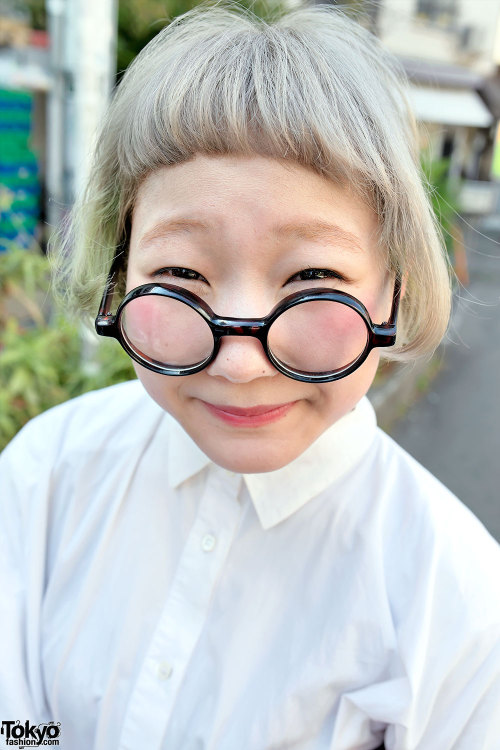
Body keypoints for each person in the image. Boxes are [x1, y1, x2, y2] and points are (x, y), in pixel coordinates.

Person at [1, 4, 499, 749]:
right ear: (119, 273)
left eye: (312, 279)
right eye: (178, 273)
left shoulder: (453, 598)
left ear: (393, 287)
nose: (239, 361)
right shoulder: (46, 476)